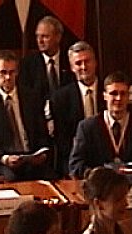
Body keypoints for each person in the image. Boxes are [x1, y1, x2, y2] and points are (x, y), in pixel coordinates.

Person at [0, 50, 53, 182]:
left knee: (49, 176)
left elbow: (41, 132)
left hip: (31, 156)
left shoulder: (31, 97)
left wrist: (42, 151)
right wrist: (3, 158)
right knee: (11, 178)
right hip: (6, 161)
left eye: (11, 72)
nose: (8, 77)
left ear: (17, 72)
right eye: (3, 72)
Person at [68, 71, 132, 179]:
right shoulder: (87, 127)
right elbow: (75, 165)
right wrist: (97, 176)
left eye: (123, 93)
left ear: (129, 96)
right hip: (99, 186)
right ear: (104, 96)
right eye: (113, 93)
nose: (118, 98)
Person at [48, 41, 102, 176]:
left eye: (87, 61)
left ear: (95, 62)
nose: (84, 67)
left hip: (107, 158)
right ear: (72, 67)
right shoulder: (60, 98)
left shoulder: (110, 91)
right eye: (78, 63)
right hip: (76, 159)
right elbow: (62, 140)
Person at [19, 16, 72, 104]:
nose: (40, 41)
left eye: (45, 36)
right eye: (37, 36)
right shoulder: (27, 64)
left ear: (58, 37)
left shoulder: (70, 59)